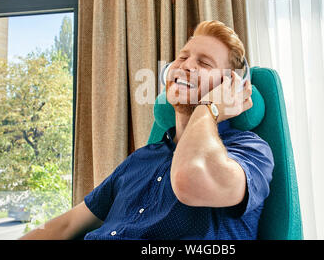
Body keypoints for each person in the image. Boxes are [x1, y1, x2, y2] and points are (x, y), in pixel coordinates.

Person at [20, 20, 274, 240]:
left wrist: (209, 108)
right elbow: (67, 225)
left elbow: (190, 180)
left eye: (205, 63)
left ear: (230, 86)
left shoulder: (251, 151)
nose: (185, 65)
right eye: (183, 57)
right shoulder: (141, 159)